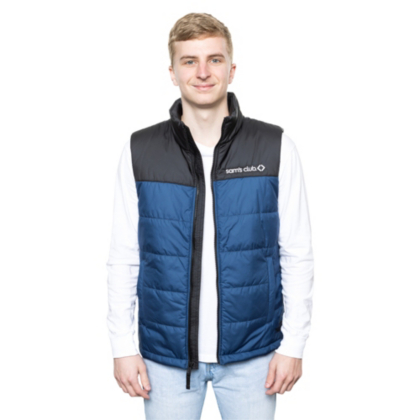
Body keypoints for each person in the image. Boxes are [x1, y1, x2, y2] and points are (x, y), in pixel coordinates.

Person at [106, 12, 314, 420]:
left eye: (214, 60)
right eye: (190, 61)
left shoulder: (275, 147)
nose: (202, 72)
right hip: (165, 360)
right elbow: (125, 256)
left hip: (254, 357)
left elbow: (296, 252)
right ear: (172, 72)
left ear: (231, 69)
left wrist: (293, 345)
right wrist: (121, 346)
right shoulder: (141, 150)